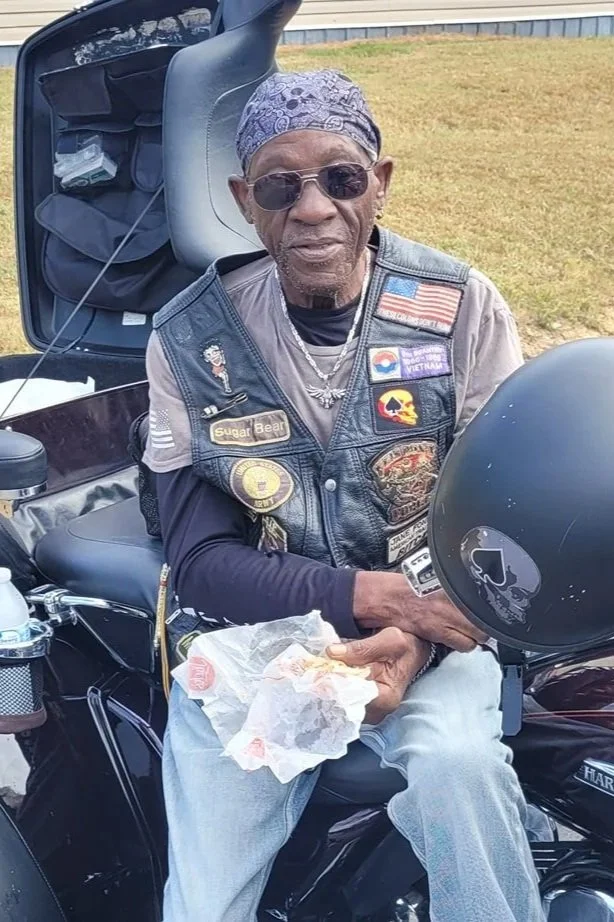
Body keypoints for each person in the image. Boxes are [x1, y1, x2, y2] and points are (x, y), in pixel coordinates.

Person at [144, 69, 545, 922]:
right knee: (202, 904)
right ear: (245, 199)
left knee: (457, 768)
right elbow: (202, 561)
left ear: (382, 183)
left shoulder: (460, 308)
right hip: (262, 652)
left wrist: (416, 636)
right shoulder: (187, 339)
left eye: (342, 178)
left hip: (434, 630)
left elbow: (506, 522)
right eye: (281, 186)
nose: (314, 208)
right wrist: (356, 595)